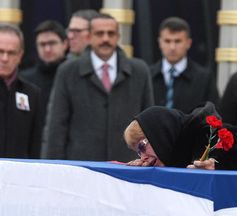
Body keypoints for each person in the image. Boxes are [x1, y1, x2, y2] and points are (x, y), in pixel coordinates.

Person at [42, 13, 154, 162]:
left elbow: (149, 124)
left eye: (111, 33)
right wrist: (53, 166)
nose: (105, 39)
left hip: (128, 166)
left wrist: (149, 159)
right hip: (81, 167)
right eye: (99, 33)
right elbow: (57, 126)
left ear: (118, 36)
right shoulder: (68, 71)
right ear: (89, 37)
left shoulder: (139, 70)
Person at [124, 102, 237, 174]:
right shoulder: (174, 150)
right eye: (138, 153)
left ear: (160, 134)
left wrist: (219, 168)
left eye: (142, 146)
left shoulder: (214, 136)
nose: (142, 156)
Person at [150, 17, 219, 113]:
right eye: (167, 41)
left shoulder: (204, 79)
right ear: (160, 42)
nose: (172, 47)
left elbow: (212, 116)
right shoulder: (147, 75)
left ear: (188, 43)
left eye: (177, 41)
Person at [0, 23, 41, 158]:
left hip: (17, 176)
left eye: (11, 53)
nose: (5, 58)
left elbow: (35, 144)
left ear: (20, 56)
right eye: (0, 51)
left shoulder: (32, 94)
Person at [21, 20, 68, 133]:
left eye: (52, 43)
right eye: (42, 44)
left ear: (65, 44)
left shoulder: (75, 77)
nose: (47, 49)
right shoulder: (24, 80)